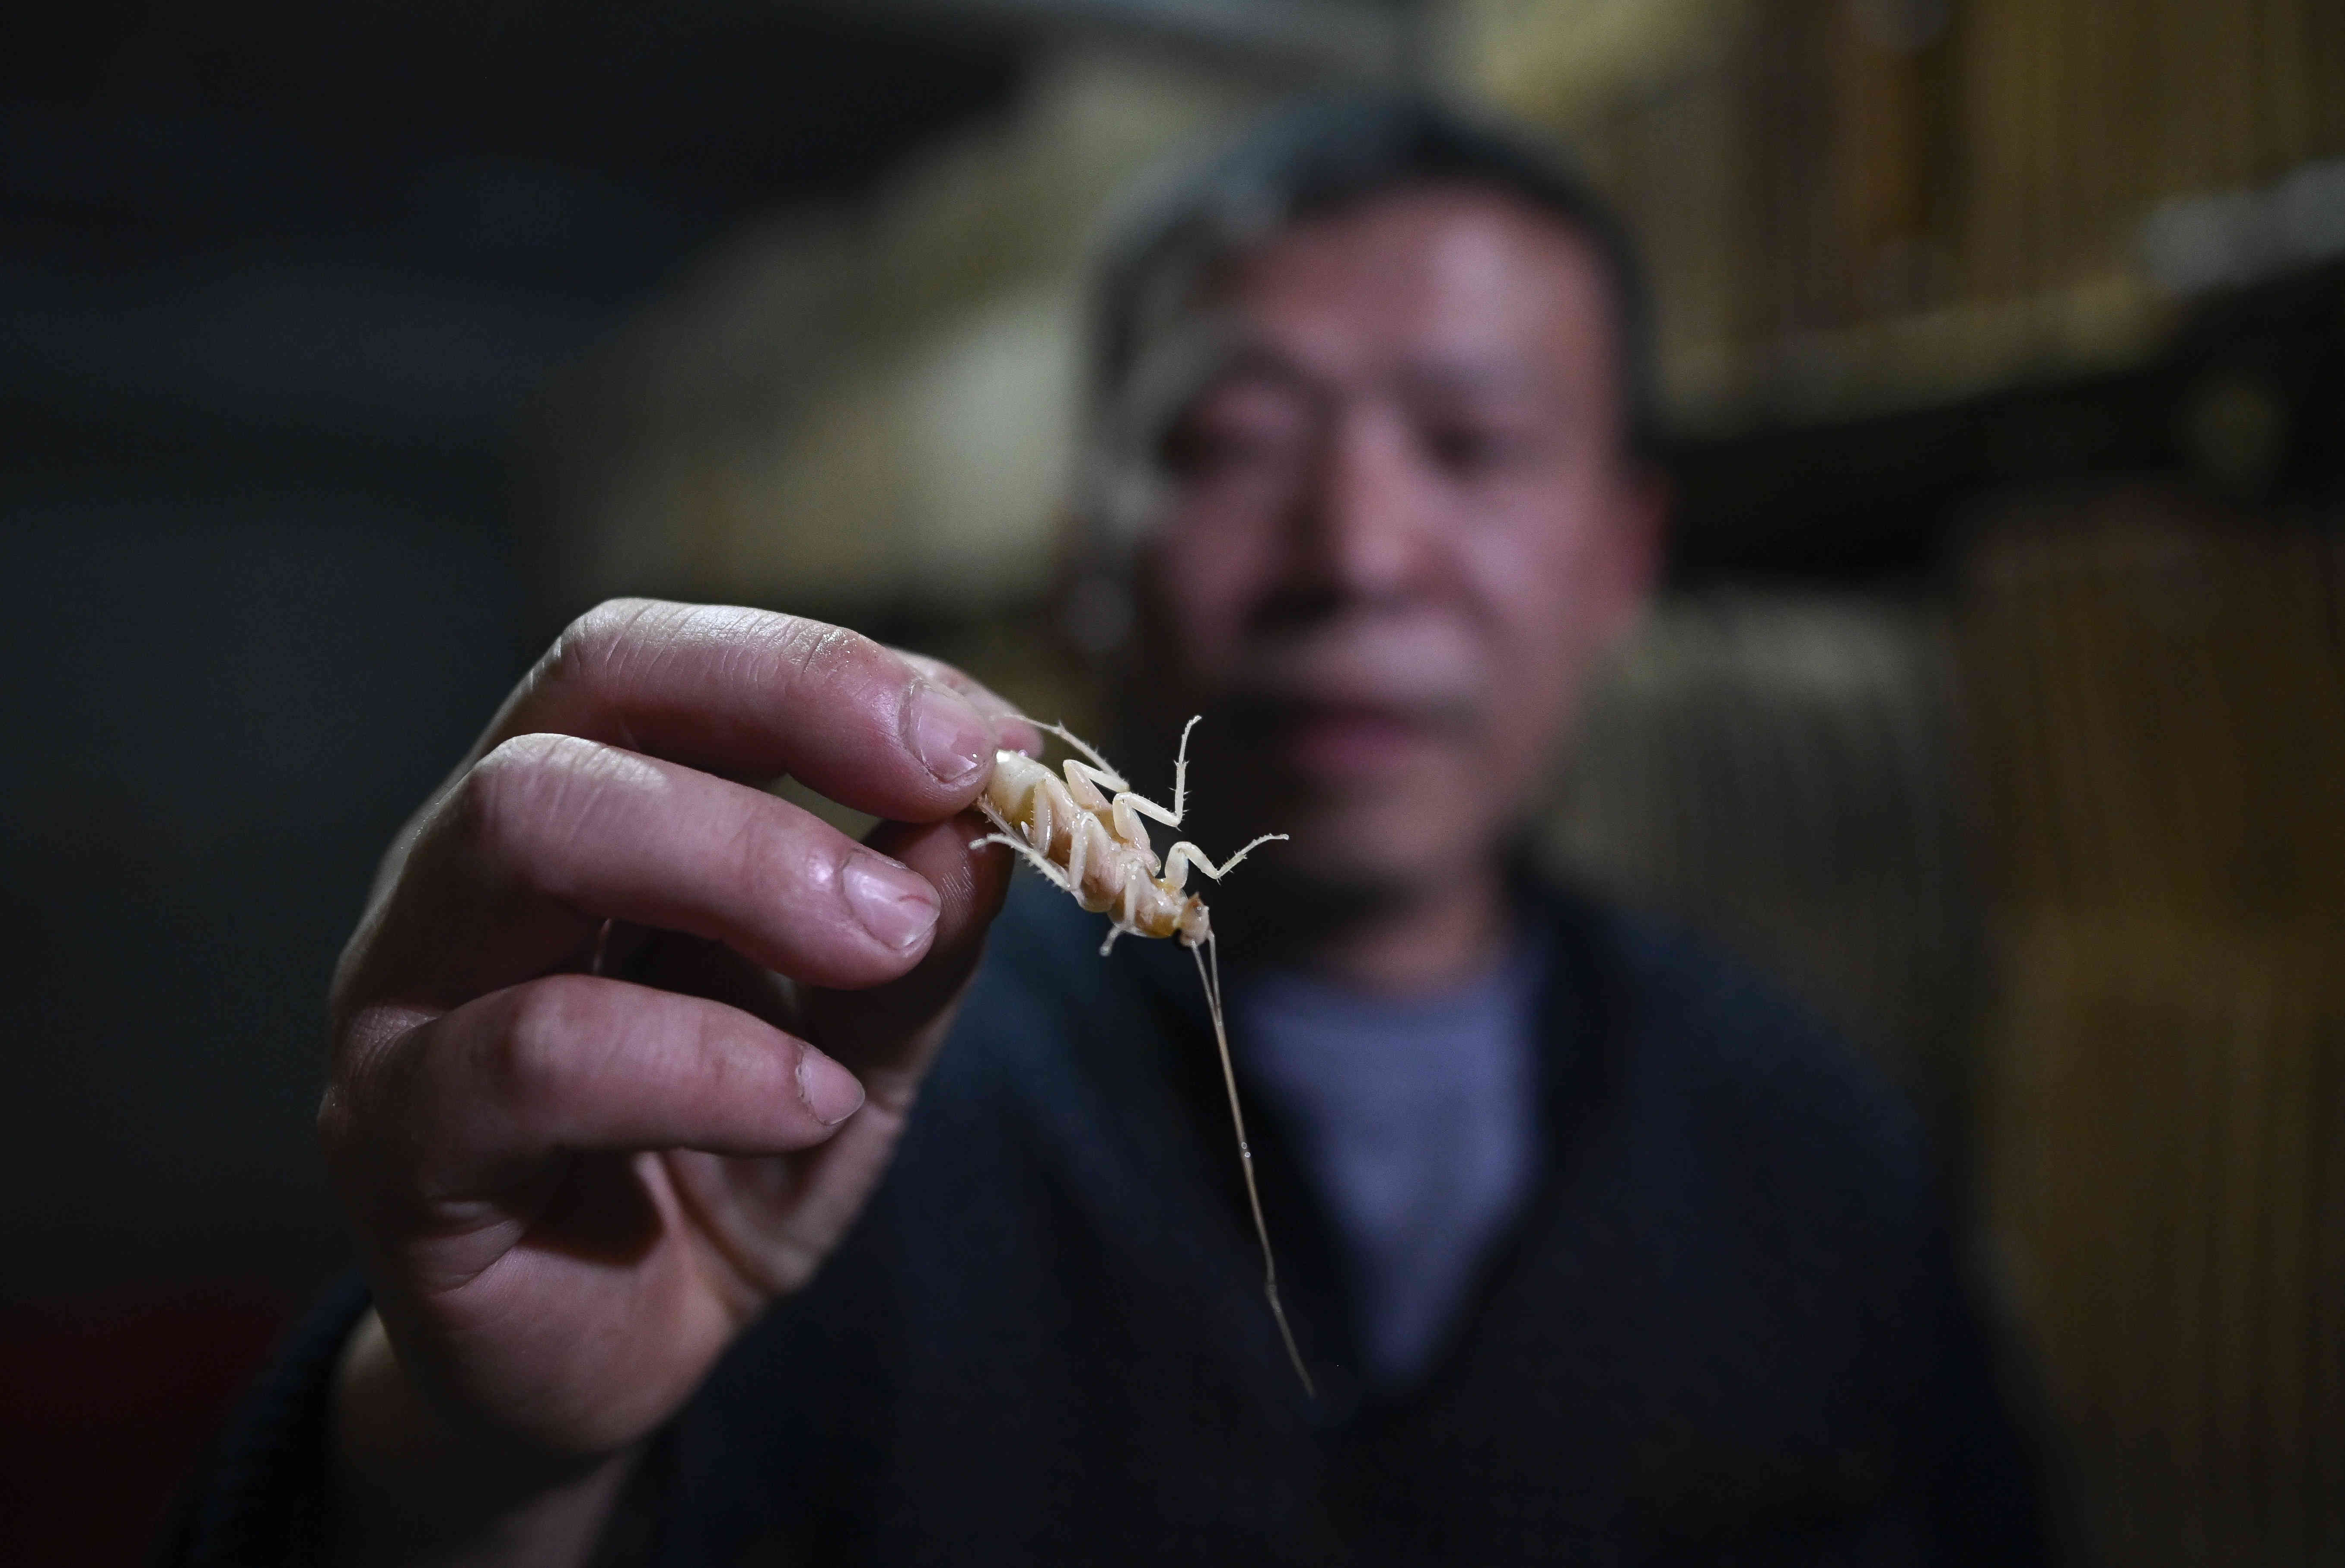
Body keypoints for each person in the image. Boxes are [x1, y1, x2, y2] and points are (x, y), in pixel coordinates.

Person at [172, 97, 2045, 1566]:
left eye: (1469, 442)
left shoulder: (1815, 1135)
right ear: (1086, 563)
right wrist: (474, 1476)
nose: (1357, 549)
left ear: (1624, 558)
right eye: (1235, 438)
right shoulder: (783, 1082)